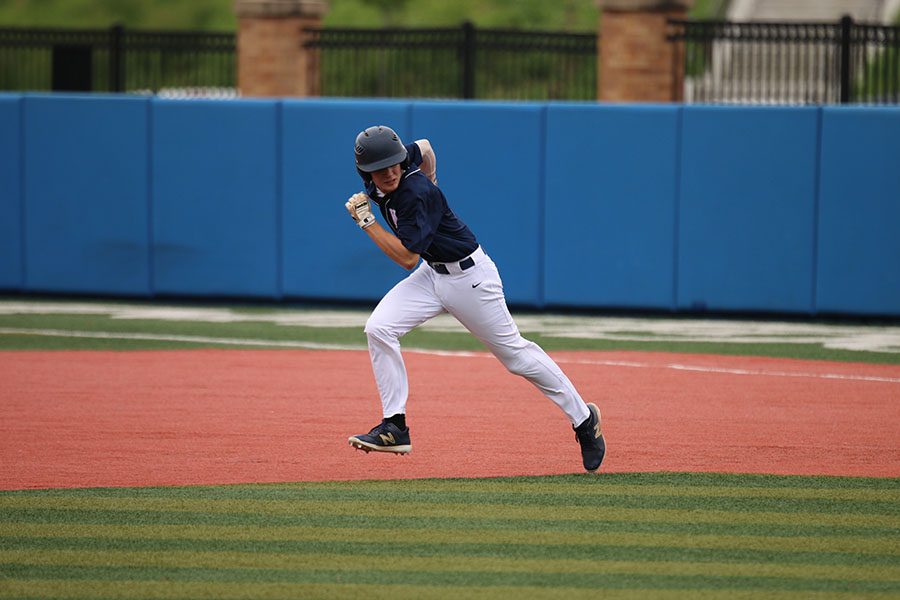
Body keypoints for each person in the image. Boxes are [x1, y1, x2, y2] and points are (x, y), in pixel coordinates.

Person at [343, 125, 605, 472]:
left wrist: (367, 222)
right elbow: (425, 145)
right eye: (381, 167)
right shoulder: (393, 171)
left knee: (516, 356)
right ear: (366, 172)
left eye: (395, 164)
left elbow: (407, 258)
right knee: (379, 327)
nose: (391, 171)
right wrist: (433, 173)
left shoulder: (415, 192)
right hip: (433, 274)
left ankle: (585, 420)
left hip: (470, 279)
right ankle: (395, 426)